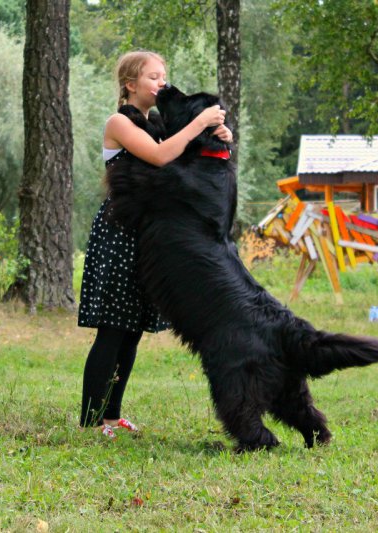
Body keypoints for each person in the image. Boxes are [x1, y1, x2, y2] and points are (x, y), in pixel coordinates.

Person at [78, 50, 233, 437]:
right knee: (112, 330)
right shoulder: (119, 122)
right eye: (153, 77)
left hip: (147, 235)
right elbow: (163, 157)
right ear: (130, 84)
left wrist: (217, 138)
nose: (161, 83)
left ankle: (111, 417)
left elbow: (186, 159)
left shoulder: (159, 123)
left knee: (131, 330)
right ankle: (89, 421)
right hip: (118, 232)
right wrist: (200, 119)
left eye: (163, 76)